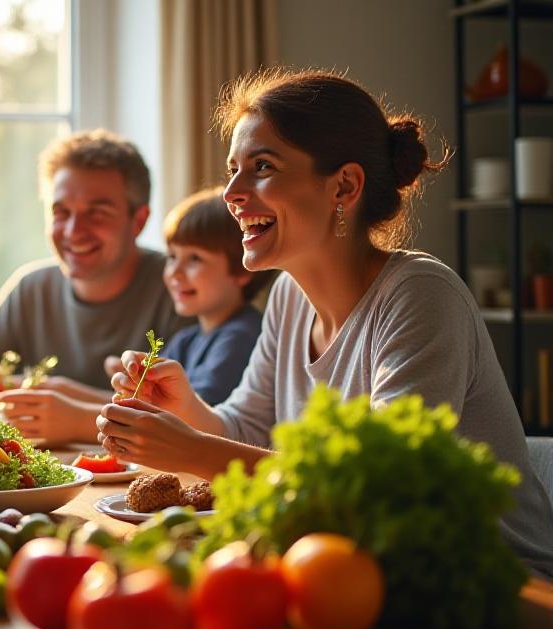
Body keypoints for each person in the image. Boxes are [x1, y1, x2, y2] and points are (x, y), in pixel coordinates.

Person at [97, 69, 553, 579]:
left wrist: (195, 450)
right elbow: (248, 431)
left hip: (497, 588)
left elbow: (381, 489)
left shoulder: (422, 295)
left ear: (345, 186)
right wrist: (187, 411)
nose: (232, 192)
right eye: (233, 170)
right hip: (358, 572)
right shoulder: (289, 295)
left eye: (262, 167)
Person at [0, 130, 184, 445]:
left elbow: (195, 416)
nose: (74, 231)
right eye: (61, 212)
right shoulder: (32, 288)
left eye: (97, 213)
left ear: (138, 220)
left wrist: (75, 413)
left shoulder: (181, 286)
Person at [155, 186, 271, 405]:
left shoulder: (242, 336)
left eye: (195, 259)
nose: (174, 273)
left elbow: (197, 411)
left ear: (242, 270)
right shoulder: (186, 341)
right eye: (171, 257)